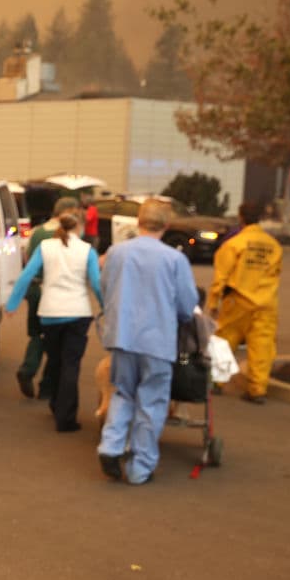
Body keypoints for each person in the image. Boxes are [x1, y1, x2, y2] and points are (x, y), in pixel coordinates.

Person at [96, 199, 198, 484]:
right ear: (166, 225)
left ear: (138, 221)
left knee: (123, 393)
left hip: (122, 336)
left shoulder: (116, 253)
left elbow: (105, 288)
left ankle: (111, 446)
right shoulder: (174, 260)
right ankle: (141, 467)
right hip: (157, 340)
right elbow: (186, 304)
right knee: (151, 402)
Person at [6, 205, 102, 432]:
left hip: (49, 313)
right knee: (71, 364)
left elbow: (26, 275)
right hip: (78, 313)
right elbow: (97, 284)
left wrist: (12, 304)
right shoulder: (87, 250)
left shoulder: (45, 247)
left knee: (56, 361)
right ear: (79, 226)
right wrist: (107, 307)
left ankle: (55, 402)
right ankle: (65, 417)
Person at [206, 202, 283, 404]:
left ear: (241, 218)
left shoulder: (234, 244)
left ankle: (216, 382)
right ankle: (257, 390)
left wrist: (213, 302)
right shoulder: (274, 246)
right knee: (262, 345)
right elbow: (276, 273)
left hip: (238, 300)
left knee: (225, 340)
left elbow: (221, 277)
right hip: (266, 303)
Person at [14, 197, 80, 400]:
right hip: (56, 291)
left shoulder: (37, 231)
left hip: (35, 287)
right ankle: (47, 386)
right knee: (57, 341)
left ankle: (28, 369)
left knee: (37, 334)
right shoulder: (66, 235)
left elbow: (26, 257)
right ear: (67, 212)